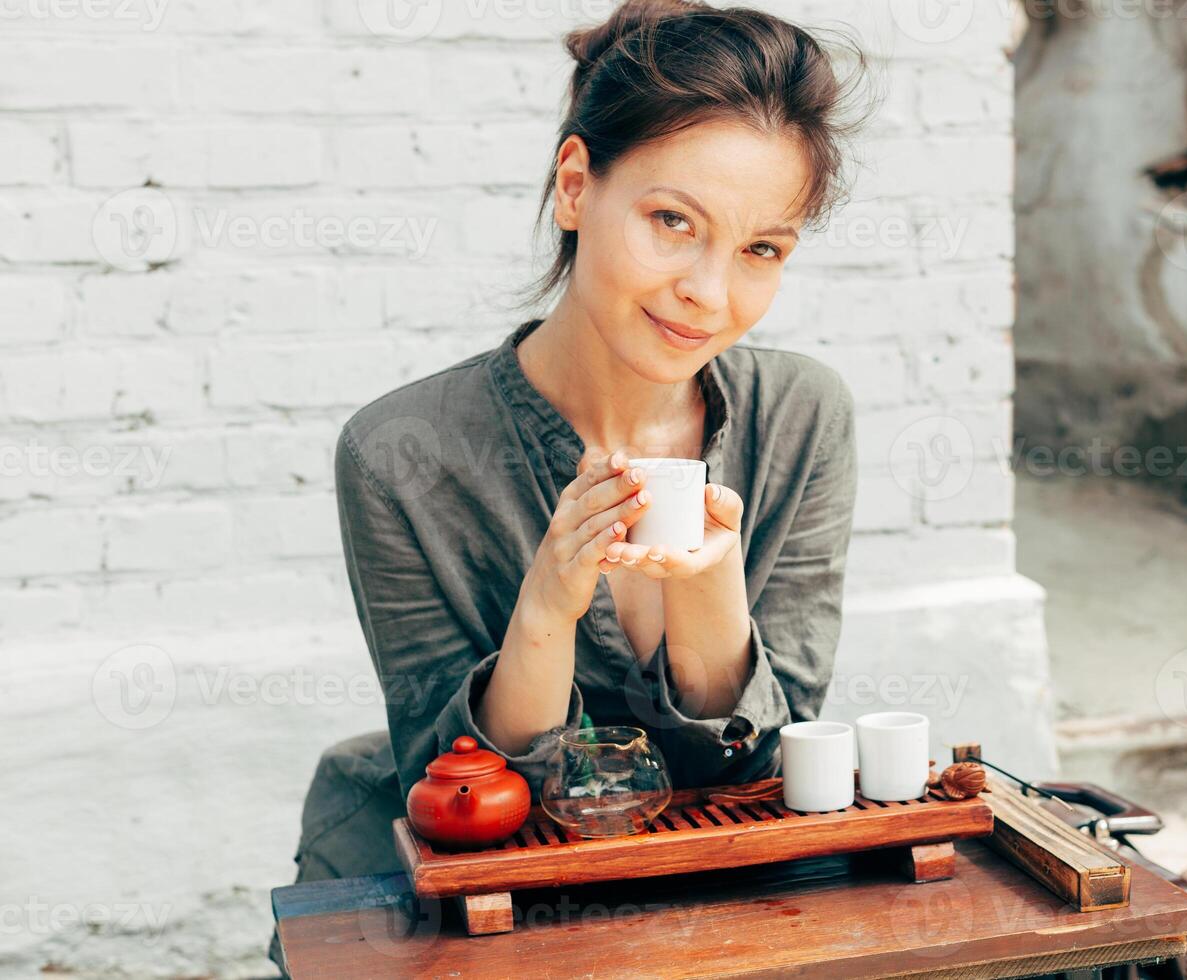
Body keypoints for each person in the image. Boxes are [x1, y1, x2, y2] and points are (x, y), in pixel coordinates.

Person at [268, 0, 873, 971]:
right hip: (456, 896)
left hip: (716, 890)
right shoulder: (400, 452)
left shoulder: (805, 416)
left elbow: (768, 765)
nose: (711, 294)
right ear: (577, 186)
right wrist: (546, 610)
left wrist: (706, 591)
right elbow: (458, 794)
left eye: (762, 248)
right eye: (673, 221)